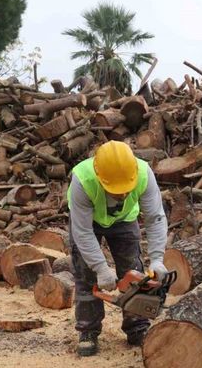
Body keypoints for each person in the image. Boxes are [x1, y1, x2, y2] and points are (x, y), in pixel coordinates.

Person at [67, 140, 168, 356]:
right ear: (100, 177)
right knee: (86, 275)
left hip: (125, 220)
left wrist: (158, 258)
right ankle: (88, 330)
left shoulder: (143, 174)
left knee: (134, 272)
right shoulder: (82, 181)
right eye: (116, 190)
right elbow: (83, 232)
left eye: (125, 190)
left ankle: (137, 327)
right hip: (88, 223)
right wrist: (101, 268)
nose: (122, 195)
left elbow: (155, 217)